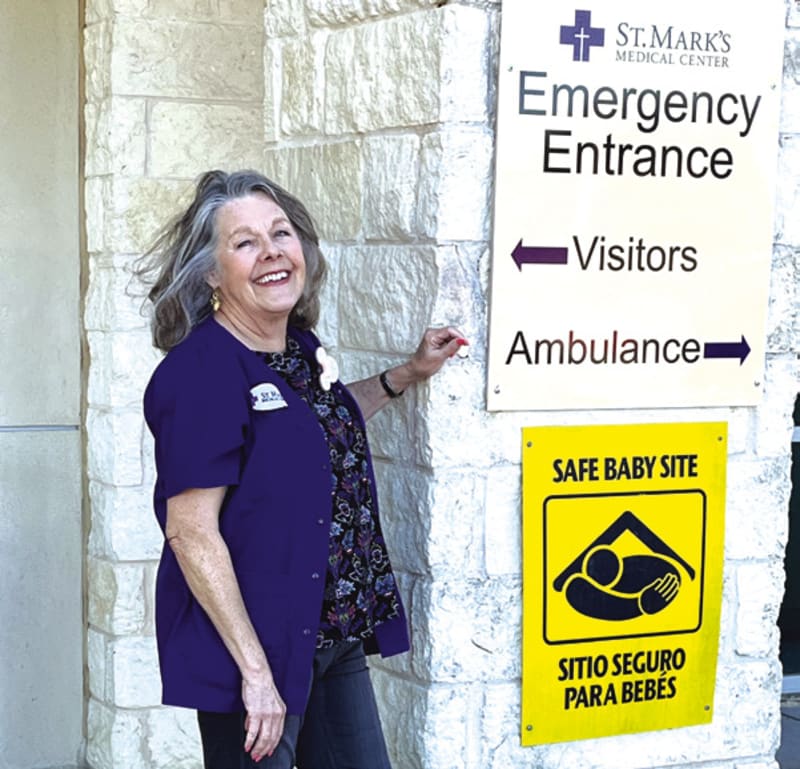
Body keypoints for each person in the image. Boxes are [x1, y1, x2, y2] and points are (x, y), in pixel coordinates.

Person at [136, 169, 468, 768]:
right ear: (212, 273)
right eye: (244, 242)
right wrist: (257, 675)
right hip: (257, 649)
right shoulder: (201, 373)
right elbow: (189, 530)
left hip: (331, 632)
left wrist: (406, 375)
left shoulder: (297, 348)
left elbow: (317, 427)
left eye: (280, 233)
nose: (271, 253)